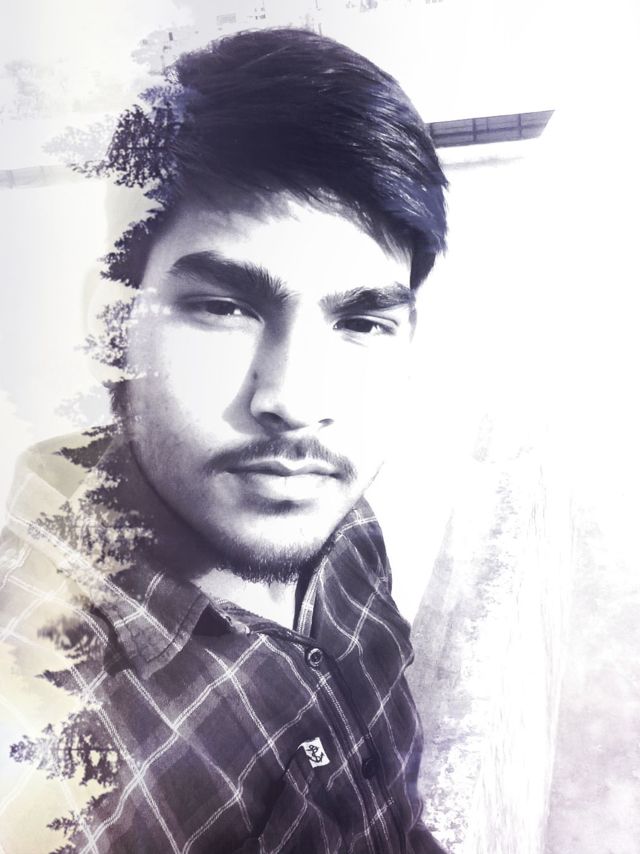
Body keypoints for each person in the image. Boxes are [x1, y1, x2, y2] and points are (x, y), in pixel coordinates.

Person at [0, 28, 447, 854]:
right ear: (110, 323)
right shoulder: (46, 737)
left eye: (362, 321)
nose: (297, 404)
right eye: (224, 308)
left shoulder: (342, 526)